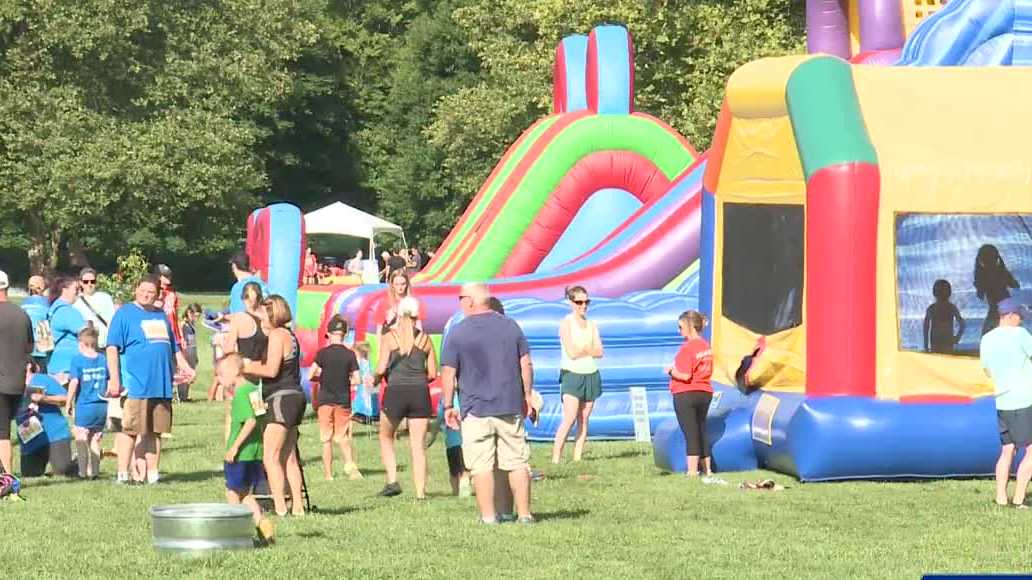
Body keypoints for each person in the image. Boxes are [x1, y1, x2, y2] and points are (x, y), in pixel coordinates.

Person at [441, 283, 535, 524]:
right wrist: (527, 396)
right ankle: (523, 514)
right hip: (509, 405)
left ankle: (488, 517)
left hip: (475, 410)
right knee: (516, 462)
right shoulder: (511, 326)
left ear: (470, 301)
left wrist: (449, 405)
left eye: (461, 298)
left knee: (481, 465)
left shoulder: (458, 332)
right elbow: (525, 364)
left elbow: (449, 372)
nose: (460, 302)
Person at [105, 276, 196, 485]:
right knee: (130, 429)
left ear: (157, 294)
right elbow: (112, 348)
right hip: (136, 384)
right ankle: (122, 474)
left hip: (161, 384)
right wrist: (115, 379)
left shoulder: (161, 316)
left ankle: (153, 474)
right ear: (136, 290)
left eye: (151, 292)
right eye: (143, 290)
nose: (147, 295)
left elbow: (173, 348)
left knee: (156, 431)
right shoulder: (124, 314)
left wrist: (186, 367)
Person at [242, 295, 306, 517]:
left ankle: (279, 506)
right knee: (289, 457)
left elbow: (271, 370)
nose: (260, 319)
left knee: (271, 456)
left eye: (262, 314)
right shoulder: (290, 335)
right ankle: (298, 506)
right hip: (295, 396)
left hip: (280, 398)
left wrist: (246, 367)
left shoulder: (278, 335)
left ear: (272, 314)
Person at [375, 296, 437, 499]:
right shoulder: (425, 340)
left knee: (385, 436)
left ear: (399, 315)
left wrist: (376, 379)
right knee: (418, 446)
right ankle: (420, 493)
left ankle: (392, 481)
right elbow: (432, 374)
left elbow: (381, 367)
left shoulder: (390, 338)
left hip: (396, 392)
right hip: (420, 393)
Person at [980, 297, 1032, 507]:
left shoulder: (987, 339)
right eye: (1019, 316)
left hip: (1003, 400)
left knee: (1007, 449)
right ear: (1010, 315)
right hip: (1024, 399)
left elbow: (987, 370)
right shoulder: (1020, 334)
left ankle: (1001, 498)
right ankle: (1020, 498)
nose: (1021, 321)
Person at [218, 353, 275, 541]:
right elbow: (261, 417)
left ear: (235, 372)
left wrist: (234, 447)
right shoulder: (253, 389)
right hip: (255, 453)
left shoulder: (241, 394)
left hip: (241, 454)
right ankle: (262, 523)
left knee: (232, 492)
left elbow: (250, 421)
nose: (219, 379)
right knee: (244, 493)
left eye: (221, 374)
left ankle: (235, 531)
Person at [666, 310, 723, 484]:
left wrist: (670, 370)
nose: (679, 331)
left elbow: (684, 375)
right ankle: (707, 469)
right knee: (701, 430)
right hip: (704, 392)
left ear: (690, 327)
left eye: (681, 327)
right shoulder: (706, 347)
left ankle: (692, 471)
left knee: (691, 433)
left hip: (686, 393)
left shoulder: (687, 348)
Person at [552, 286, 604, 463]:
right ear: (571, 303)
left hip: (590, 373)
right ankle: (556, 457)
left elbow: (599, 351)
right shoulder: (566, 323)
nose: (583, 306)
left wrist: (586, 350)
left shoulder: (591, 324)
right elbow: (572, 352)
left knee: (584, 418)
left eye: (586, 302)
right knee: (570, 417)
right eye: (579, 302)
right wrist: (588, 350)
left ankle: (577, 457)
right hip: (572, 374)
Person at [310, 315, 362, 481]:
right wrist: (345, 380)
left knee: (326, 439)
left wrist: (322, 378)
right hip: (343, 399)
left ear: (329, 334)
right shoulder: (350, 355)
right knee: (342, 436)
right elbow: (357, 379)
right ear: (345, 334)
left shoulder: (322, 354)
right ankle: (350, 466)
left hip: (325, 399)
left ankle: (328, 474)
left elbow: (311, 374)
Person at [0, 270, 34, 474]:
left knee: (2, 435)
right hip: (16, 382)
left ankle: (6, 479)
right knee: (4, 431)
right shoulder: (22, 314)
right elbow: (30, 347)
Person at [17, 362, 74, 477]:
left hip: (55, 435)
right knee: (29, 474)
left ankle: (80, 461)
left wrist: (45, 398)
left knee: (62, 470)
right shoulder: (10, 384)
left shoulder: (42, 379)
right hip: (30, 438)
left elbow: (66, 398)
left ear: (28, 365)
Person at [66, 327, 108, 479]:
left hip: (85, 405)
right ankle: (95, 471)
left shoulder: (77, 360)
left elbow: (74, 382)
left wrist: (69, 401)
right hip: (102, 405)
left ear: (82, 344)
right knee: (95, 439)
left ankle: (82, 472)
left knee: (81, 437)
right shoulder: (103, 359)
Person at [47, 275, 88, 378]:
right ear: (64, 290)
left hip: (54, 364)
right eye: (76, 289)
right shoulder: (68, 312)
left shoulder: (53, 309)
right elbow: (87, 335)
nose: (79, 292)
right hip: (68, 368)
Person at [975, 244, 1020, 336]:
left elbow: (980, 295)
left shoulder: (982, 276)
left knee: (986, 335)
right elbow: (1015, 285)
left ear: (981, 260)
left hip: (995, 308)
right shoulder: (1002, 272)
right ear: (997, 258)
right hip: (1007, 304)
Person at [74, 267, 115, 348]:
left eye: (92, 281)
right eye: (86, 282)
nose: (90, 284)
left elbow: (112, 320)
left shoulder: (106, 298)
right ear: (81, 283)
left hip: (105, 343)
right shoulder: (76, 303)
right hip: (87, 346)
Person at [924, 279, 965, 354]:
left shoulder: (932, 308)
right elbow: (962, 324)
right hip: (943, 342)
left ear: (934, 293)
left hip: (939, 342)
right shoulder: (951, 307)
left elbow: (926, 328)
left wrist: (926, 346)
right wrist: (957, 337)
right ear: (949, 293)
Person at [375, 270, 421, 336]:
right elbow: (379, 330)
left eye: (403, 284)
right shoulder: (384, 303)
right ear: (392, 285)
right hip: (391, 341)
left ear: (407, 284)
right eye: (397, 284)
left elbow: (418, 326)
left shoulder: (413, 303)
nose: (400, 287)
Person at [22, 275, 51, 372]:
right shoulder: (47, 304)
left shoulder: (23, 304)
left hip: (27, 346)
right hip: (43, 347)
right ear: (43, 288)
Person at [177, 304, 202, 402]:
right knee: (183, 374)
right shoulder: (183, 324)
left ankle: (186, 395)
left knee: (190, 374)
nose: (196, 318)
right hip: (186, 351)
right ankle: (181, 396)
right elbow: (181, 338)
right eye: (195, 316)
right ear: (189, 313)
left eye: (198, 316)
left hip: (192, 350)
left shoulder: (192, 324)